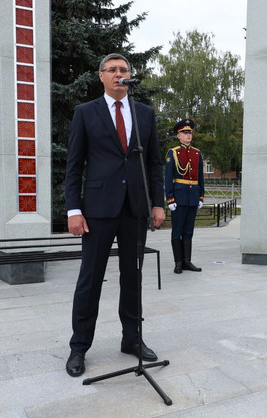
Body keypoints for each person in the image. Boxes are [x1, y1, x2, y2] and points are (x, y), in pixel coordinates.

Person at [64, 53, 166, 377]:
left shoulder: (144, 113)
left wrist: (158, 203)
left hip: (135, 209)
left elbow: (154, 163)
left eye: (123, 70)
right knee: (90, 279)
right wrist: (73, 210)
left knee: (132, 277)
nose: (118, 74)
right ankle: (79, 347)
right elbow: (74, 166)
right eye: (112, 70)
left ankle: (132, 339)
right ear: (102, 76)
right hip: (97, 211)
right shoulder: (86, 112)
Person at [164, 118, 204, 274]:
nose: (188, 135)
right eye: (185, 133)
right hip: (179, 197)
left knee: (188, 230)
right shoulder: (173, 153)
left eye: (190, 133)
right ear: (178, 135)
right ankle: (178, 262)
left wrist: (201, 196)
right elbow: (168, 177)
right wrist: (170, 198)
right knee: (177, 230)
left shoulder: (197, 153)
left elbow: (200, 177)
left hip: (192, 196)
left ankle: (187, 261)